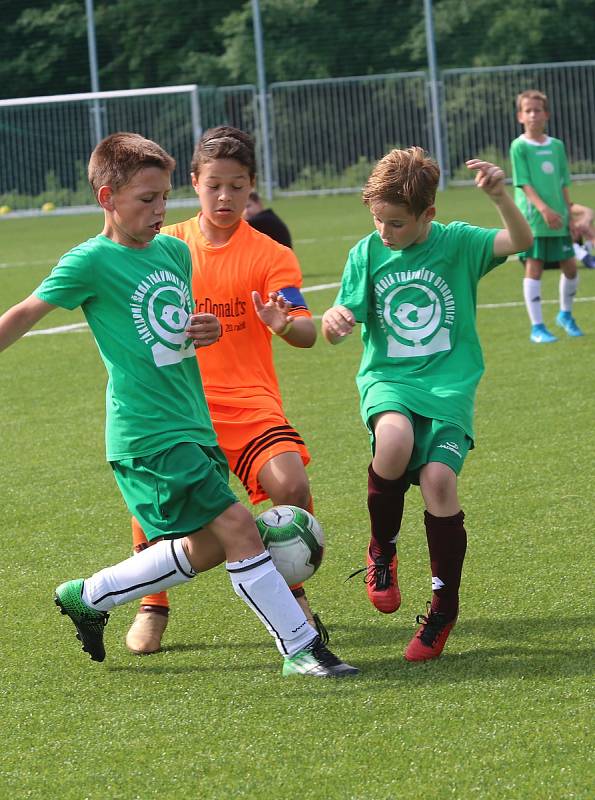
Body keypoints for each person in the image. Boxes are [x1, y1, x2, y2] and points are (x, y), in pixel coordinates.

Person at [0, 131, 358, 678]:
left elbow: (174, 330)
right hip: (149, 433)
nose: (160, 211)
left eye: (164, 198)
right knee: (240, 525)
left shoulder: (172, 251)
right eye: (146, 200)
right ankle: (302, 646)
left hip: (193, 425)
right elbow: (25, 313)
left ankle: (89, 596)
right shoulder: (91, 262)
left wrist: (206, 329)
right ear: (107, 199)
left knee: (212, 546)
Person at [117, 126, 327, 656]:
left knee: (292, 486)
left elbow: (306, 332)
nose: (225, 197)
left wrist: (282, 323)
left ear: (251, 186)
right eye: (214, 186)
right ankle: (152, 606)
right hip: (181, 404)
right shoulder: (168, 247)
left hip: (251, 402)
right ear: (194, 184)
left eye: (237, 186)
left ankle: (292, 595)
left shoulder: (271, 254)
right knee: (156, 504)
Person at [321, 146, 532, 662]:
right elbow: (340, 320)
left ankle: (442, 609)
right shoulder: (366, 253)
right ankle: (382, 550)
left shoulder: (458, 243)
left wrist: (501, 197)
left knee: (439, 482)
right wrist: (334, 320)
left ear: (428, 216)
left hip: (448, 388)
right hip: (388, 379)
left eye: (395, 224)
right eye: (377, 221)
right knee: (393, 441)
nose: (384, 233)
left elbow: (522, 241)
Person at [510, 89, 584, 343]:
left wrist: (571, 217)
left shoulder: (557, 146)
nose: (533, 115)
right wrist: (543, 209)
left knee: (571, 267)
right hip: (534, 218)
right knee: (535, 266)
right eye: (527, 111)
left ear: (546, 114)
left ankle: (565, 315)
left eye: (537, 110)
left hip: (560, 218)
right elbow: (524, 183)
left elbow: (563, 184)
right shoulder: (519, 146)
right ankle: (537, 327)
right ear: (520, 116)